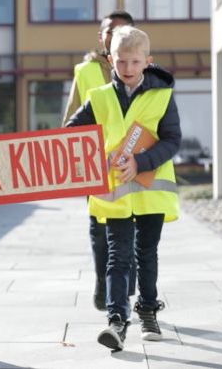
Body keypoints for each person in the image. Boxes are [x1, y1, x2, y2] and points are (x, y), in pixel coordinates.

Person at [66, 25, 181, 351]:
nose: (128, 69)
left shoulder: (162, 96)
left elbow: (172, 140)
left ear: (147, 61)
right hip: (113, 193)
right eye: (121, 62)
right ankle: (117, 320)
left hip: (150, 192)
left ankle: (147, 310)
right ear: (110, 59)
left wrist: (140, 163)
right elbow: (71, 135)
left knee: (146, 254)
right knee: (117, 257)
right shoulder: (97, 98)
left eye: (134, 61)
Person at [62, 10, 136, 312]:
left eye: (123, 29)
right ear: (102, 36)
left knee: (133, 227)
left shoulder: (145, 67)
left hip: (134, 163)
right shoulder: (86, 71)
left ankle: (125, 287)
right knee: (101, 227)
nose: (115, 33)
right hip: (99, 166)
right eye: (110, 30)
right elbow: (71, 120)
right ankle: (103, 282)